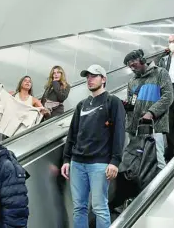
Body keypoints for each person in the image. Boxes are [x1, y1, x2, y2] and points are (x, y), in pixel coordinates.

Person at [60, 64, 125, 228]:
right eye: (88, 77)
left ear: (103, 79)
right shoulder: (82, 105)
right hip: (78, 163)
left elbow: (119, 133)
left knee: (99, 208)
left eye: (94, 76)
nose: (90, 80)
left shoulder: (113, 102)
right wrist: (67, 159)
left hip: (99, 163)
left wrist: (115, 161)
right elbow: (73, 133)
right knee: (79, 208)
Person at [124, 49, 173, 170]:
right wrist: (127, 105)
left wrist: (151, 112)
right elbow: (133, 102)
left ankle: (163, 186)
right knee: (138, 162)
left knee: (158, 160)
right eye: (130, 67)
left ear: (142, 60)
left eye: (134, 65)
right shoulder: (132, 82)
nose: (133, 69)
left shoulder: (160, 73)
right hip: (136, 129)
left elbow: (168, 97)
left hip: (154, 126)